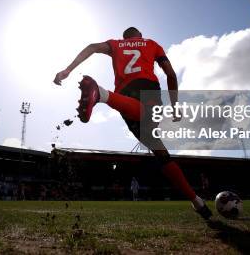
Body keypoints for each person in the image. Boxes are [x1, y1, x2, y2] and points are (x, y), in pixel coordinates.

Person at [54, 26, 212, 220]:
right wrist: (175, 104)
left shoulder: (116, 45)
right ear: (140, 36)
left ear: (125, 38)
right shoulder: (152, 44)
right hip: (148, 88)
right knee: (152, 132)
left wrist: (68, 70)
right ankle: (102, 94)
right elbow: (170, 74)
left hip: (124, 95)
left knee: (159, 151)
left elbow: (92, 47)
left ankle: (197, 202)